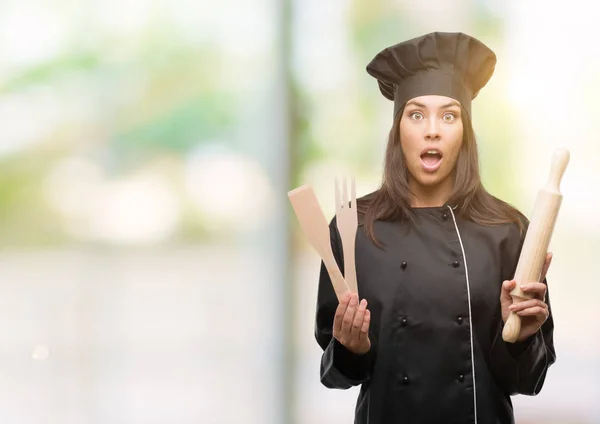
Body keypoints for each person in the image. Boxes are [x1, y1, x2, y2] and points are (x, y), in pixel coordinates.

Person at [314, 32, 556, 424]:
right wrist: (349, 348)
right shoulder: (352, 226)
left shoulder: (509, 230)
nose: (432, 130)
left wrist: (521, 334)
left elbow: (526, 382)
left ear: (465, 134)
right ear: (398, 131)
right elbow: (335, 375)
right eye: (416, 114)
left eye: (448, 115)